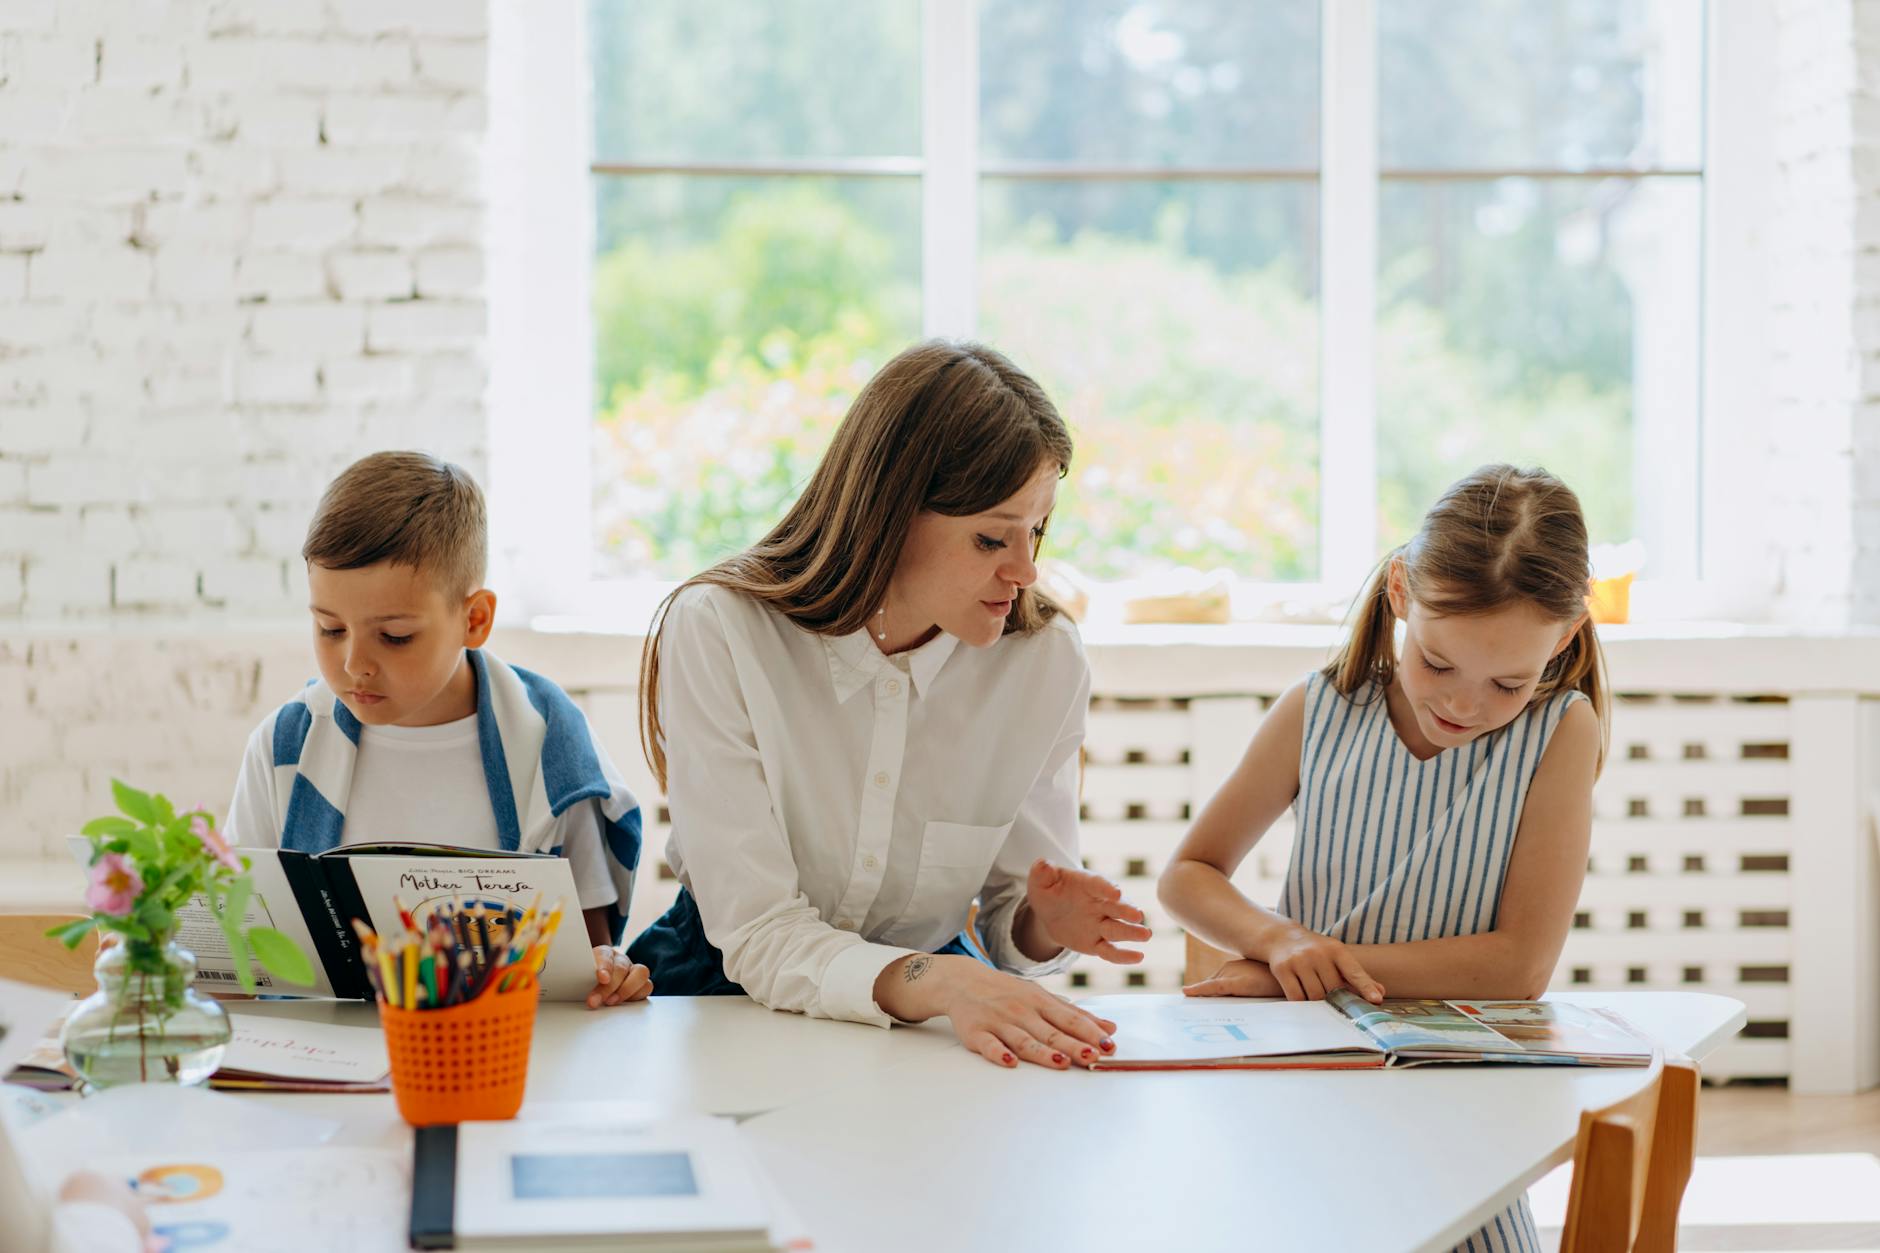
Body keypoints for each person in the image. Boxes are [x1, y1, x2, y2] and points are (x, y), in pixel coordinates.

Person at [628, 340, 1150, 1068]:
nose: (1026, 569)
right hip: (717, 992)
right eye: (991, 537)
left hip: (937, 1006)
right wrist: (941, 979)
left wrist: (1042, 923)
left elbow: (1011, 919)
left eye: (1036, 530)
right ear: (891, 510)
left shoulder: (1045, 659)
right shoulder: (723, 629)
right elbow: (758, 931)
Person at [1158, 464, 1608, 1253]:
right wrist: (1278, 943)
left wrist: (1308, 973)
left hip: (1460, 1111)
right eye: (1437, 662)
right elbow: (1189, 873)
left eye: (1507, 681)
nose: (1463, 705)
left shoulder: (1562, 732)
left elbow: (1518, 966)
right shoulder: (1320, 707)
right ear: (1401, 591)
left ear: (1564, 637)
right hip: (1309, 1088)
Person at [225, 452, 651, 1009]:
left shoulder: (551, 744)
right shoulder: (286, 746)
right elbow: (238, 932)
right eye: (330, 628)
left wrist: (610, 973)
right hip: (324, 1062)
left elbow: (586, 959)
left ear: (474, 619)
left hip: (499, 1056)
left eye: (395, 635)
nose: (355, 663)